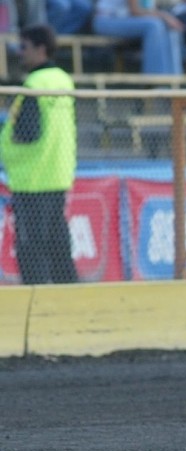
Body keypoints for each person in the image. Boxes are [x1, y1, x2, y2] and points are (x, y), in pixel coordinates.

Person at [0, 24, 78, 284]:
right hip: (57, 172)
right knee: (57, 244)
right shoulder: (63, 79)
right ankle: (68, 294)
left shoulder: (35, 83)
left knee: (31, 247)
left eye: (24, 47)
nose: (20, 53)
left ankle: (37, 297)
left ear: (40, 49)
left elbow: (27, 132)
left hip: (31, 177)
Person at [92, 0, 185, 74]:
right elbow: (135, 11)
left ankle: (175, 84)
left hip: (128, 20)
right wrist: (165, 16)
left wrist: (167, 19)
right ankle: (156, 84)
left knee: (170, 27)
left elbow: (150, 10)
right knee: (154, 26)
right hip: (107, 20)